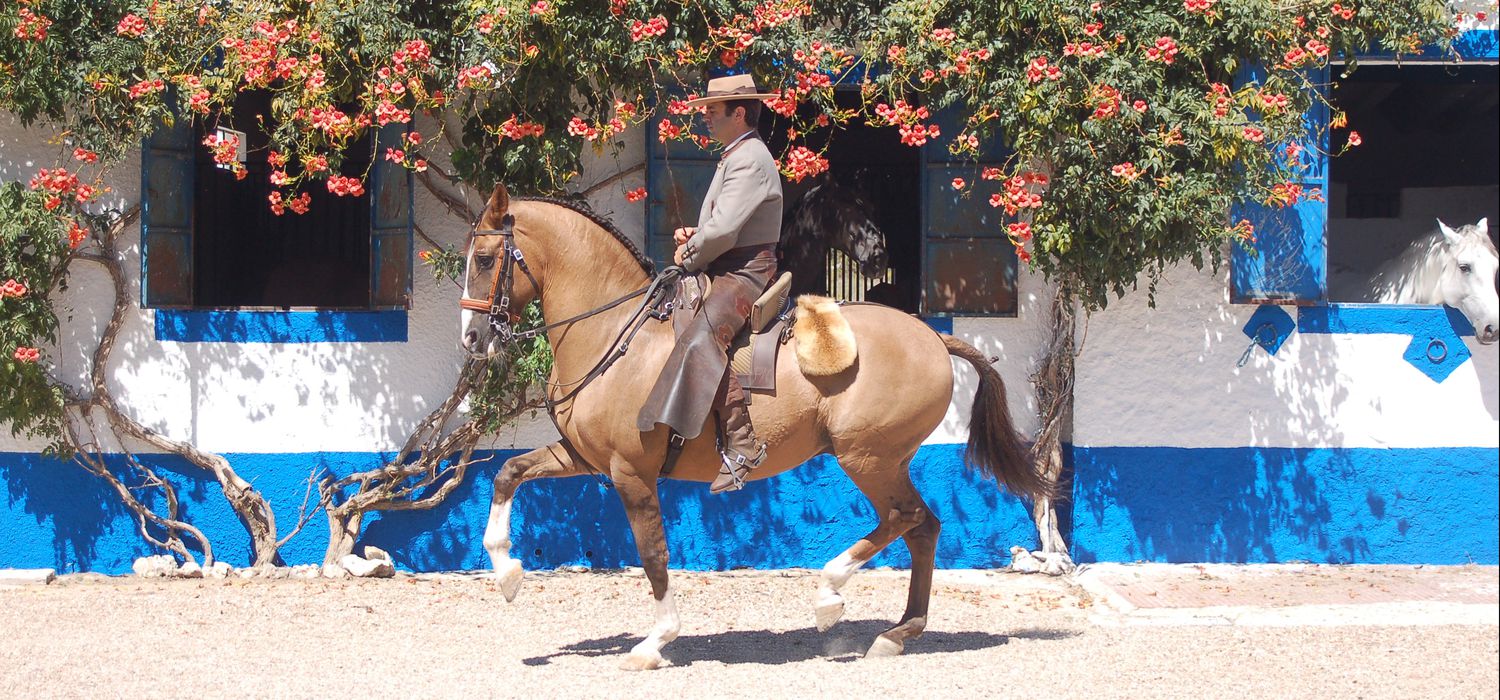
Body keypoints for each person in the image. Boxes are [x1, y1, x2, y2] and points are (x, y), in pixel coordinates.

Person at [637, 74, 783, 494]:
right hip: (728, 263)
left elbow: (722, 234)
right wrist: (696, 235)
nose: (705, 117)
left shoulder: (749, 157)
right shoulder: (737, 153)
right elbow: (721, 226)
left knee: (702, 337)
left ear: (739, 113)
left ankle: (742, 441)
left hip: (745, 272)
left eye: (712, 111)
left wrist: (693, 250)